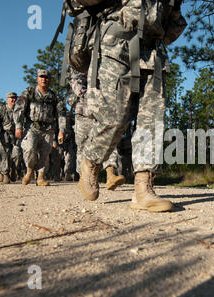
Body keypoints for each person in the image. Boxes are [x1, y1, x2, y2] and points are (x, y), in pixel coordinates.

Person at [78, 1, 187, 212]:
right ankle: (91, 162)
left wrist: (156, 37)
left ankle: (143, 189)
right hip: (115, 45)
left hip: (152, 52)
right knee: (114, 117)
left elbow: (177, 21)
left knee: (152, 120)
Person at [68, 68, 126, 190]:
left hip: (104, 111)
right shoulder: (81, 62)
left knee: (109, 141)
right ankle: (83, 178)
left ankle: (111, 175)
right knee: (82, 146)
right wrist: (96, 95)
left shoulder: (105, 58)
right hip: (84, 112)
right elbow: (76, 83)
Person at [14, 69, 67, 186]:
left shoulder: (54, 97)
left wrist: (61, 131)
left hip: (48, 129)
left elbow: (62, 114)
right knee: (29, 149)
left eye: (47, 77)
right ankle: (29, 171)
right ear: (37, 79)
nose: (44, 79)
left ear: (50, 80)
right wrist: (18, 127)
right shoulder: (29, 92)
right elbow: (19, 110)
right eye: (41, 77)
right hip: (31, 127)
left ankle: (41, 177)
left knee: (45, 154)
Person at [0, 92, 19, 184]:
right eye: (11, 98)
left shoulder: (19, 110)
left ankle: (13, 170)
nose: (13, 100)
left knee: (17, 154)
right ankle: (5, 173)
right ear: (7, 99)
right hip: (4, 135)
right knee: (5, 155)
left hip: (16, 135)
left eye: (14, 98)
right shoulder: (1, 110)